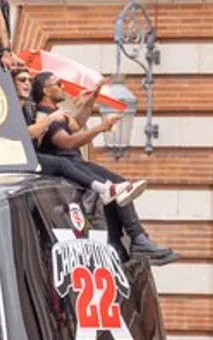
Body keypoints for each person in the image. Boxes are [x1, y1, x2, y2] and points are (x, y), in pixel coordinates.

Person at [30, 72, 176, 264]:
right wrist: (100, 128)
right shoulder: (45, 114)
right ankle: (136, 239)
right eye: (58, 84)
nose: (63, 87)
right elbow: (66, 142)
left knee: (118, 187)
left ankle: (121, 244)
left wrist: (93, 99)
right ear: (46, 90)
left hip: (77, 163)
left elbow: (77, 124)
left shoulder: (57, 113)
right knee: (117, 187)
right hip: (70, 165)